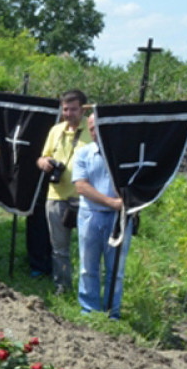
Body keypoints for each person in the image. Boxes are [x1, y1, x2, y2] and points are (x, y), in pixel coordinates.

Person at [73, 114, 131, 319]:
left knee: (115, 269)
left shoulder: (124, 154)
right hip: (91, 216)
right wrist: (112, 202)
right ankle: (89, 310)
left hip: (119, 219)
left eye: (98, 127)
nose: (95, 132)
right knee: (88, 266)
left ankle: (112, 311)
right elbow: (81, 186)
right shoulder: (83, 154)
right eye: (91, 128)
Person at [37, 89, 91, 294]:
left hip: (86, 198)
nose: (69, 114)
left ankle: (87, 290)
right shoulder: (55, 130)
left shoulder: (93, 130)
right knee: (59, 248)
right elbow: (43, 157)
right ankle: (63, 287)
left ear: (83, 109)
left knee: (88, 248)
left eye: (73, 109)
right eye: (65, 109)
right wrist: (44, 163)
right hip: (57, 196)